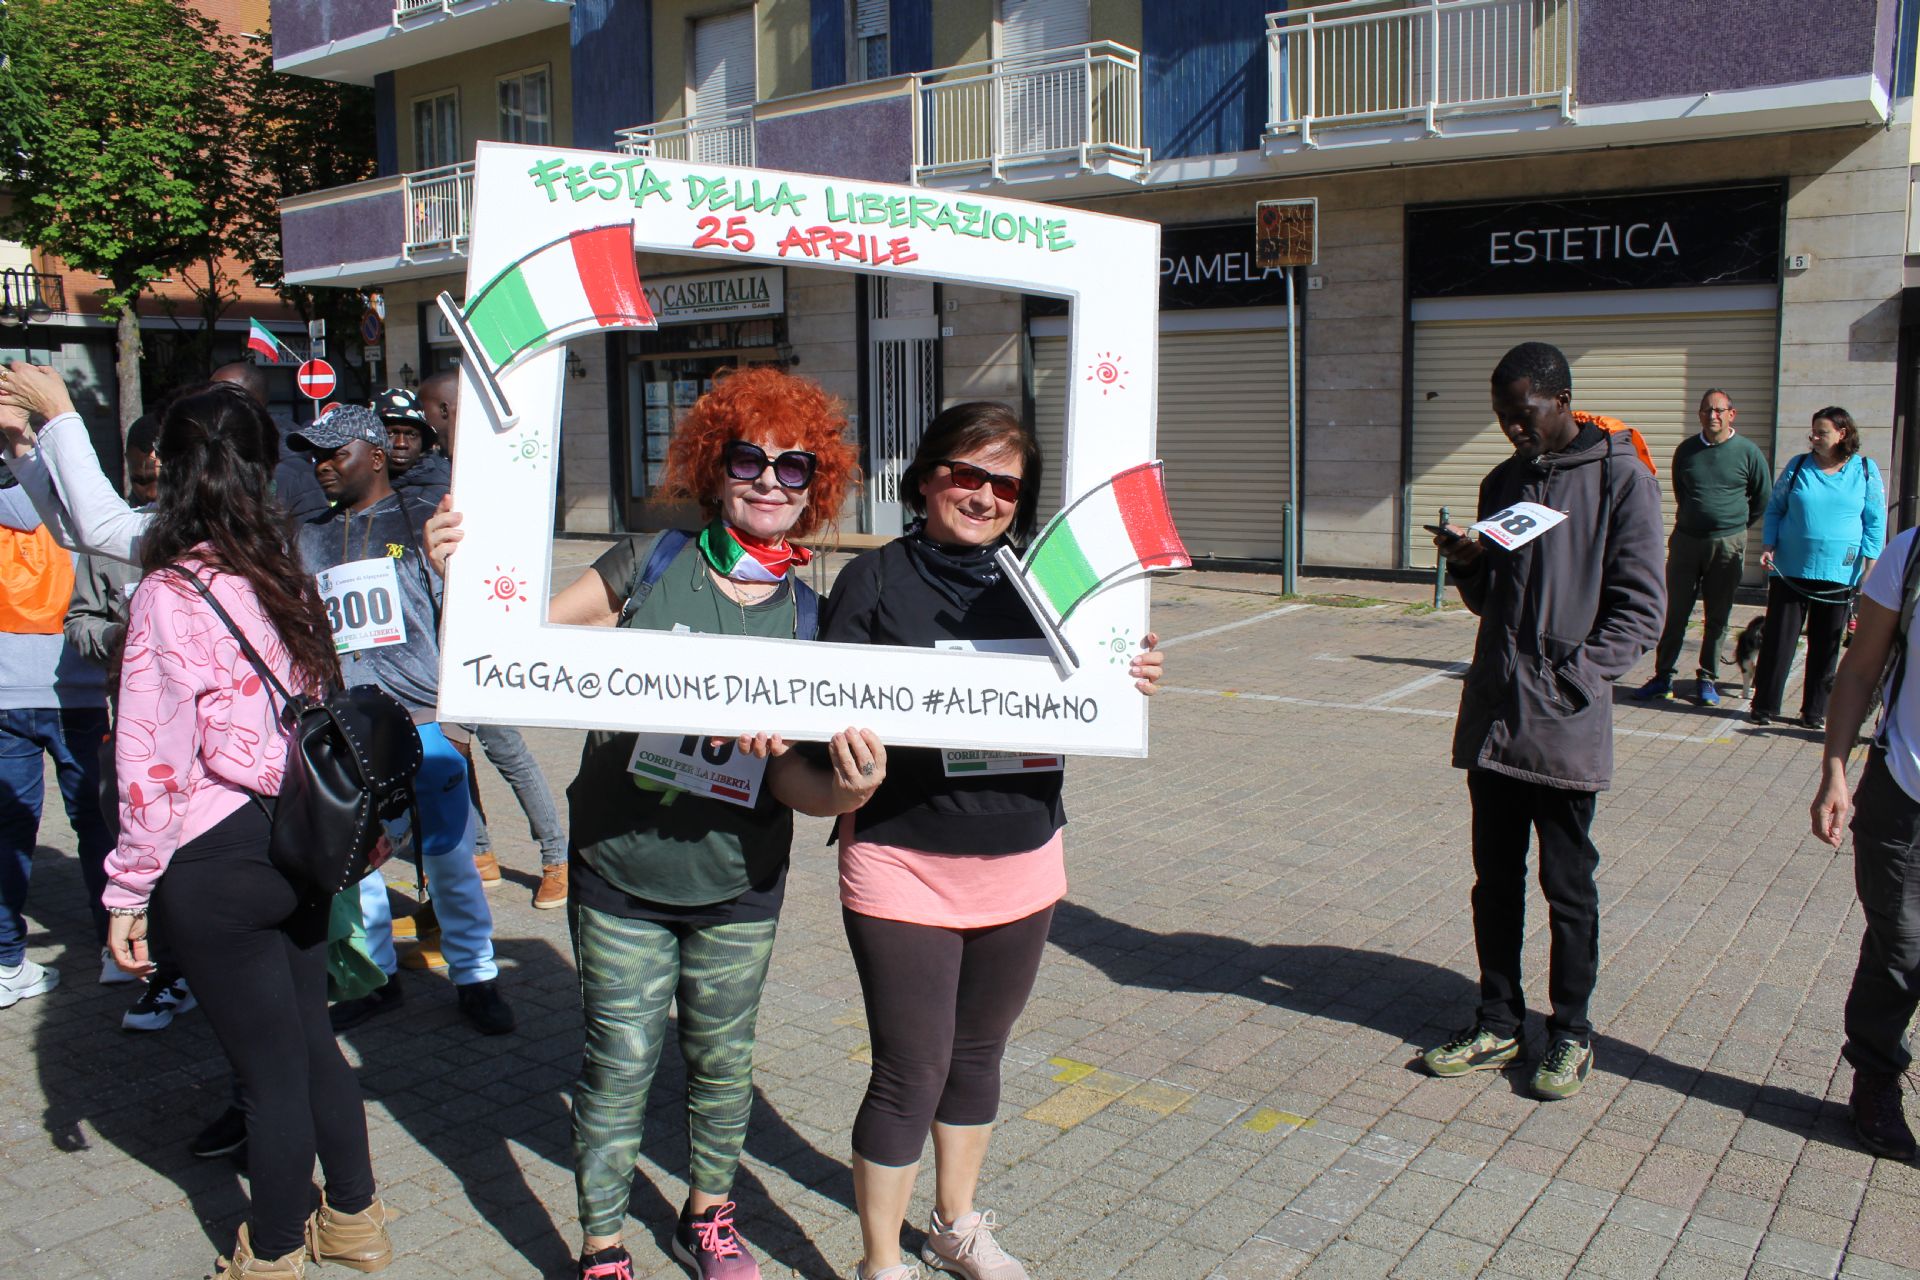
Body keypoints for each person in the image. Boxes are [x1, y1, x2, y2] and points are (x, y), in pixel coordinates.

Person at [427, 365, 887, 1280]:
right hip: (620, 869)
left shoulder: (810, 617)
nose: (769, 482)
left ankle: (706, 1218)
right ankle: (602, 1244)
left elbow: (797, 779)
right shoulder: (653, 562)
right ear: (715, 468)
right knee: (620, 1062)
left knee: (724, 1064)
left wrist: (851, 792)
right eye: (749, 460)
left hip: (737, 881)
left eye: (794, 467)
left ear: (816, 488)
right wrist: (462, 580)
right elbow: (516, 648)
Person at [0, 364, 512, 1037]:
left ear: (375, 455)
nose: (322, 466)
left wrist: (460, 712)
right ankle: (378, 975)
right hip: (342, 734)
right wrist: (27, 447)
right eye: (312, 455)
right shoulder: (301, 534)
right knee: (359, 865)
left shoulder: (419, 520)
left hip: (422, 724)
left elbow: (467, 619)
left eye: (335, 453)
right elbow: (95, 531)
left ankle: (477, 976)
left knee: (448, 859)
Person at [774, 401, 1162, 1280]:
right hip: (903, 857)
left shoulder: (1051, 586)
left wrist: (1132, 673)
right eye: (966, 474)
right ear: (925, 479)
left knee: (979, 1056)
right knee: (911, 1069)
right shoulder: (874, 581)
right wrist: (840, 758)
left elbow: (1099, 682)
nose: (984, 496)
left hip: (1023, 858)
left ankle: (955, 1226)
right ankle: (881, 1261)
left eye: (1005, 485)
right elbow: (820, 717)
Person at [99, 382, 391, 1277]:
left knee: (269, 1076)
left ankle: (269, 1252)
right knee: (311, 1043)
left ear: (170, 470)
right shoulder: (285, 572)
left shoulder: (166, 593)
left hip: (214, 856)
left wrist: (127, 891)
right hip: (299, 837)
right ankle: (355, 1221)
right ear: (262, 469)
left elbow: (149, 761)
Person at [1424, 342, 1664, 1102]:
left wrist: (1575, 678)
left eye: (1522, 414)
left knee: (1567, 887)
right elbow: (1490, 600)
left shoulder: (1621, 478)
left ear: (1561, 400)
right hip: (1497, 714)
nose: (1512, 429)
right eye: (1501, 417)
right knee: (1494, 882)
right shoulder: (1505, 481)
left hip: (1563, 721)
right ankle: (1498, 1022)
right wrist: (1468, 562)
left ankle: (1571, 1034)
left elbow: (1641, 610)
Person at [408, 371, 569, 909]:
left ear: (448, 411)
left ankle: (556, 858)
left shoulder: (484, 473)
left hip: (484, 639)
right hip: (432, 647)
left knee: (507, 750)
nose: (419, 423)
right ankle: (481, 852)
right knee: (453, 753)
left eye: (428, 409)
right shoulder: (420, 480)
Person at [64, 414, 197, 1032]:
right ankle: (165, 972)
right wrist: (123, 638)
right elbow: (79, 622)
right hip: (136, 736)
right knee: (143, 852)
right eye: (142, 482)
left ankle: (217, 968)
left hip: (217, 740)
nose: (153, 495)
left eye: (163, 481)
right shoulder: (108, 541)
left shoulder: (217, 536)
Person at [1810, 524, 1920, 1161]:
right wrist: (1835, 769)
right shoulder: (1911, 554)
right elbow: (1859, 670)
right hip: (1905, 795)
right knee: (1900, 950)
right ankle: (1876, 1078)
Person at [0, 398, 112, 1009]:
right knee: (97, 821)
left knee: (7, 828)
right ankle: (116, 947)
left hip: (1, 692)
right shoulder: (70, 504)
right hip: (75, 686)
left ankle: (5, 961)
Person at [1634, 389, 1770, 707]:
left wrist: (1732, 525)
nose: (1713, 416)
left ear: (1731, 414)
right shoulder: (1686, 451)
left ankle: (1707, 677)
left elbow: (1762, 497)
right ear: (1699, 415)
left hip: (1727, 544)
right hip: (1686, 542)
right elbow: (1682, 492)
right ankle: (1663, 677)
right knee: (1675, 612)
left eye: (1719, 410)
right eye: (1707, 410)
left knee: (1717, 616)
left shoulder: (1748, 452)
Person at [1751, 408, 1885, 729]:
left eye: (1822, 432)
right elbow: (1775, 509)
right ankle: (1764, 705)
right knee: (1779, 640)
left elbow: (1875, 522)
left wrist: (1870, 566)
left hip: (1839, 573)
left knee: (1826, 645)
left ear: (1842, 434)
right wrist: (1768, 545)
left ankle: (1814, 711)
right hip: (1790, 569)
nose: (1814, 437)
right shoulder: (1798, 466)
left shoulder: (1865, 471)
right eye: (1813, 432)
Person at [210, 361, 329, 523]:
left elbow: (313, 535)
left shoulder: (293, 473)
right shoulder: (207, 459)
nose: (209, 406)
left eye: (220, 398)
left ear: (253, 403)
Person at [375, 387, 450, 508]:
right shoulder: (355, 488)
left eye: (412, 435)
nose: (401, 444)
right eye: (390, 434)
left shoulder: (441, 492)